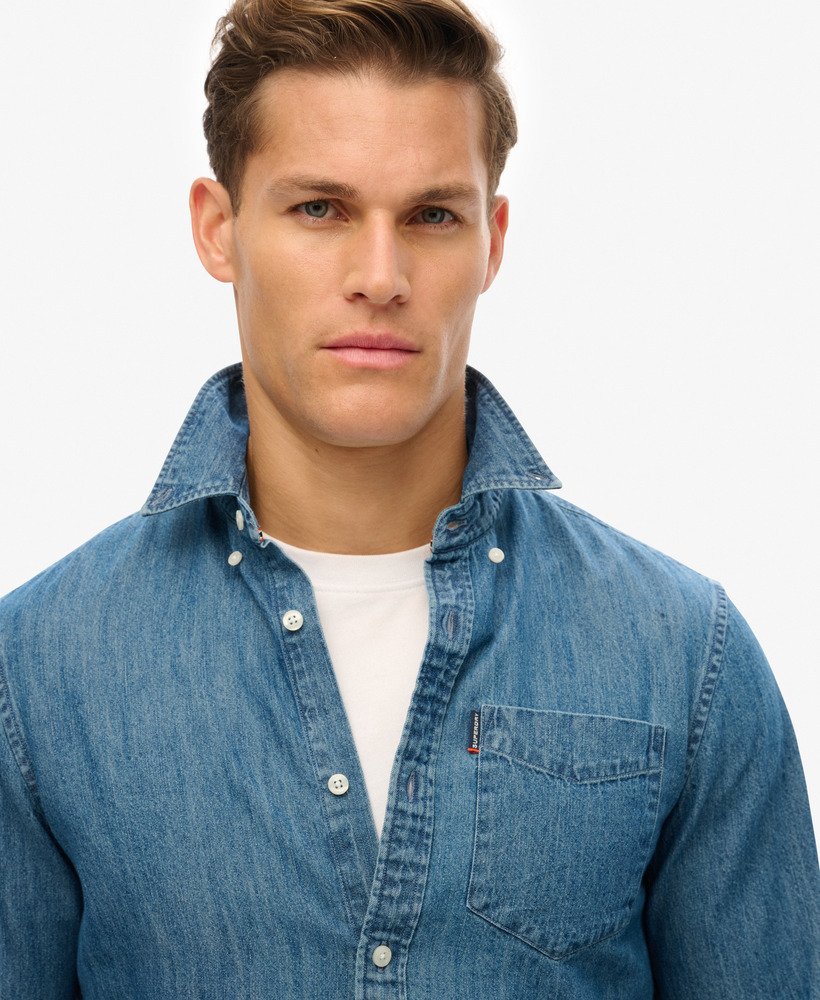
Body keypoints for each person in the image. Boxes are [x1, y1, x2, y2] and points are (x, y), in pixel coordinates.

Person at [1, 0, 816, 995]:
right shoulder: (36, 671)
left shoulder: (686, 655)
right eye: (320, 209)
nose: (380, 277)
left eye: (432, 216)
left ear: (492, 241)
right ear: (219, 230)